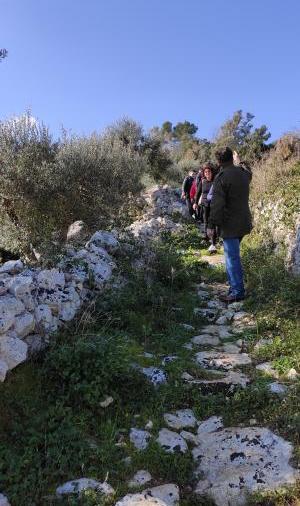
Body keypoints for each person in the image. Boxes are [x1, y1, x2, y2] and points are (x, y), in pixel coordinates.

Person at [207, 147, 252, 302]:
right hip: (244, 221)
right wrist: (240, 162)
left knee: (232, 257)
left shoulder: (221, 177)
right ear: (232, 158)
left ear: (219, 161)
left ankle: (237, 292)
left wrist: (211, 225)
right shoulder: (243, 173)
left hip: (230, 224)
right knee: (232, 255)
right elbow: (249, 173)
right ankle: (234, 287)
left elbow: (217, 204)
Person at [194, 163, 217, 252]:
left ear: (212, 172)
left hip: (214, 204)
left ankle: (214, 240)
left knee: (213, 222)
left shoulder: (215, 181)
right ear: (204, 173)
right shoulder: (202, 182)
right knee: (206, 221)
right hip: (205, 204)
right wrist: (195, 203)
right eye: (205, 172)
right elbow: (198, 193)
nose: (207, 173)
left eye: (209, 171)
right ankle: (206, 236)